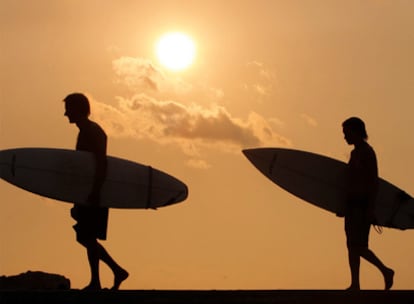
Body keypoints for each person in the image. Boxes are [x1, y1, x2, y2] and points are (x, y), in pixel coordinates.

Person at [64, 93, 128, 290]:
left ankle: (98, 281)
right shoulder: (85, 131)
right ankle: (115, 272)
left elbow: (101, 164)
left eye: (69, 109)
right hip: (89, 193)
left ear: (79, 109)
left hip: (95, 192)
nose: (65, 114)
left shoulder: (93, 131)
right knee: (85, 237)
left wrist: (94, 192)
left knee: (87, 236)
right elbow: (85, 168)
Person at [342, 117, 394, 290]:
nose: (344, 137)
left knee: (359, 246)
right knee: (351, 245)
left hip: (362, 206)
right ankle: (355, 283)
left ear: (356, 132)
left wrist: (371, 208)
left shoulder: (367, 152)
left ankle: (385, 271)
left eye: (346, 133)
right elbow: (350, 181)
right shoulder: (354, 153)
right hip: (351, 205)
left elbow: (374, 182)